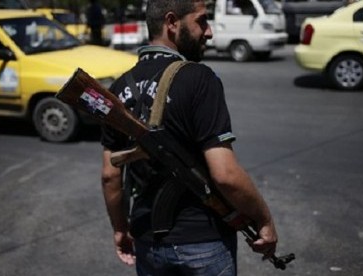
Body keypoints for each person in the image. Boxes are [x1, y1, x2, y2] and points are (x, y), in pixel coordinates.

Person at [100, 0, 278, 275]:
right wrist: (264, 218)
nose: (209, 32)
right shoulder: (199, 79)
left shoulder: (119, 88)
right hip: (203, 243)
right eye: (202, 21)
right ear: (172, 23)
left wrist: (120, 229)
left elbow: (110, 176)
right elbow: (226, 174)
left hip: (148, 242)